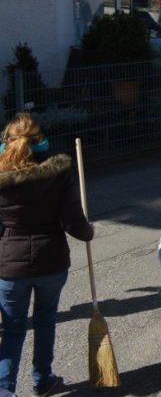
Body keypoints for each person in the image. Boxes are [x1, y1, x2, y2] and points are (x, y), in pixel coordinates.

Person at [0, 113, 94, 396]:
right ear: (40, 141)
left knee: (13, 329)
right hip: (51, 261)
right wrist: (88, 231)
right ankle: (43, 380)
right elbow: (74, 223)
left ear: (7, 142)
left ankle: (5, 390)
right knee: (45, 320)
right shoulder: (58, 173)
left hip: (10, 267)